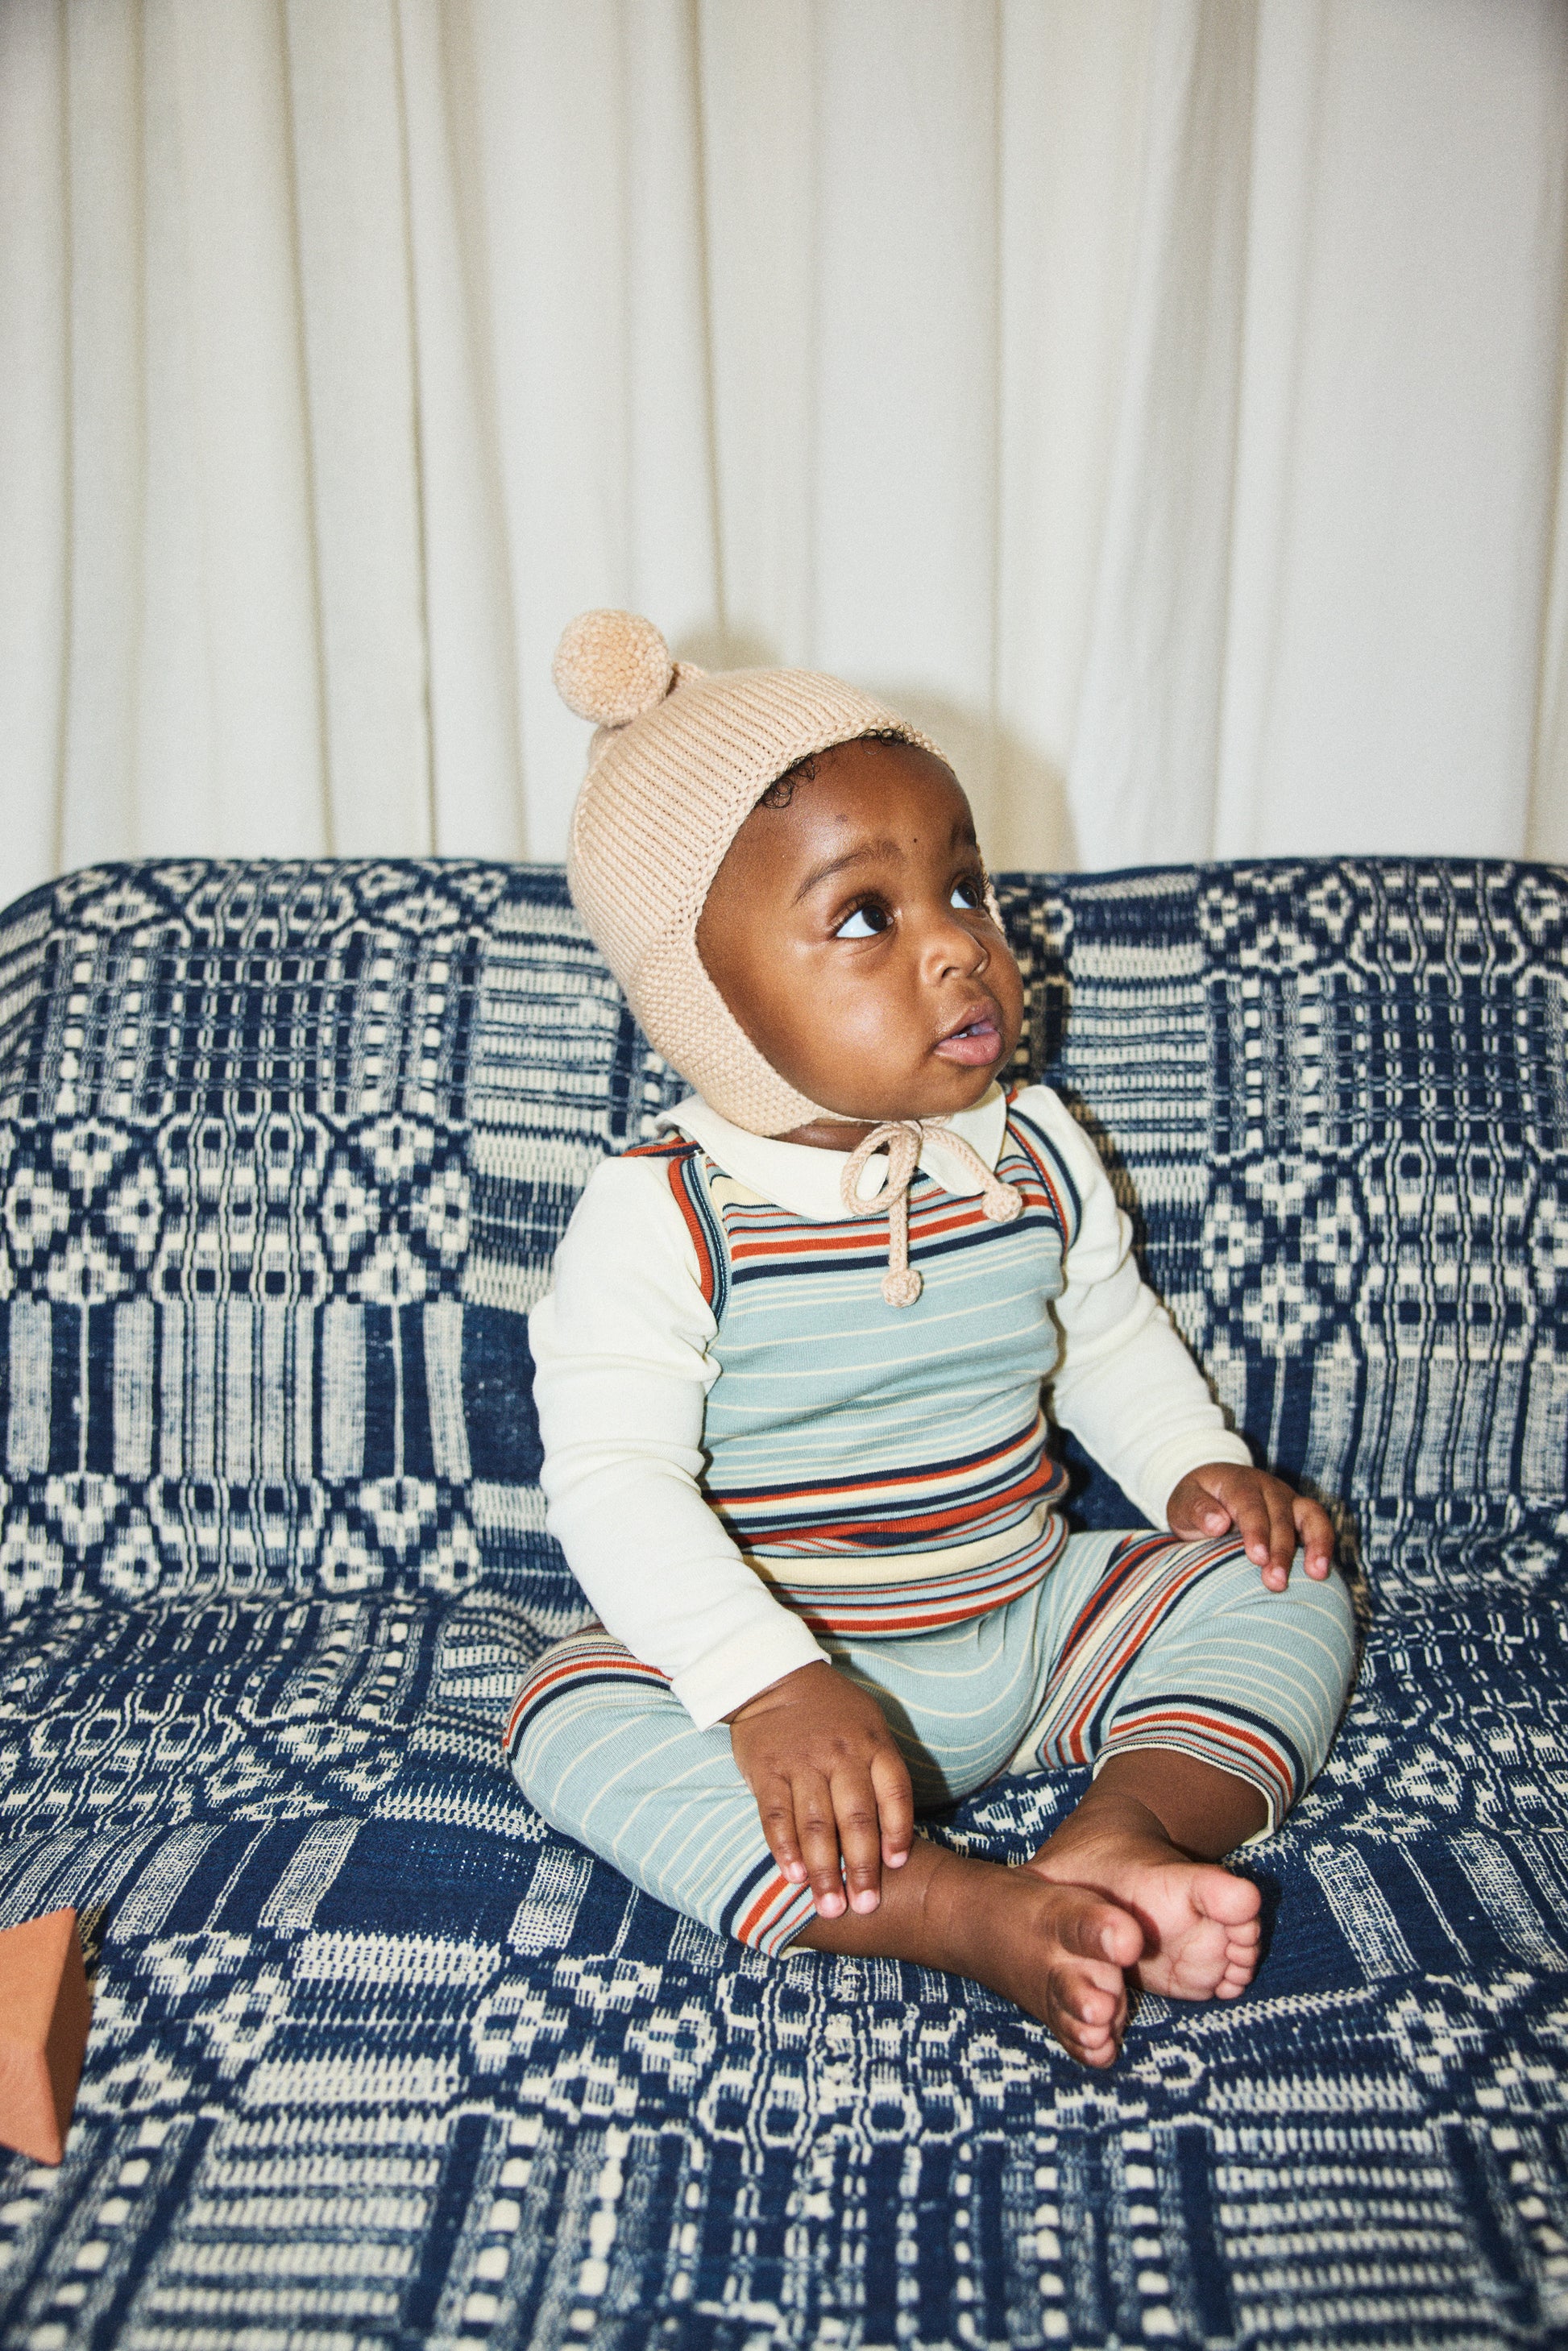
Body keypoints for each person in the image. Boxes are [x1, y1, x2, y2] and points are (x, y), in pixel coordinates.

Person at [508, 610, 1356, 2068]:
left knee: (1284, 1579)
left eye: (963, 886)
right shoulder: (664, 1212)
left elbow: (1103, 1333)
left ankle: (1120, 1831)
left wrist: (1192, 1467)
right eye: (865, 916)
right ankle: (952, 1910)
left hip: (1027, 1625)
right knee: (563, 1713)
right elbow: (610, 1477)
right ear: (701, 993)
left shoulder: (1032, 1146)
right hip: (795, 1701)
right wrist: (763, 1681)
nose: (960, 942)